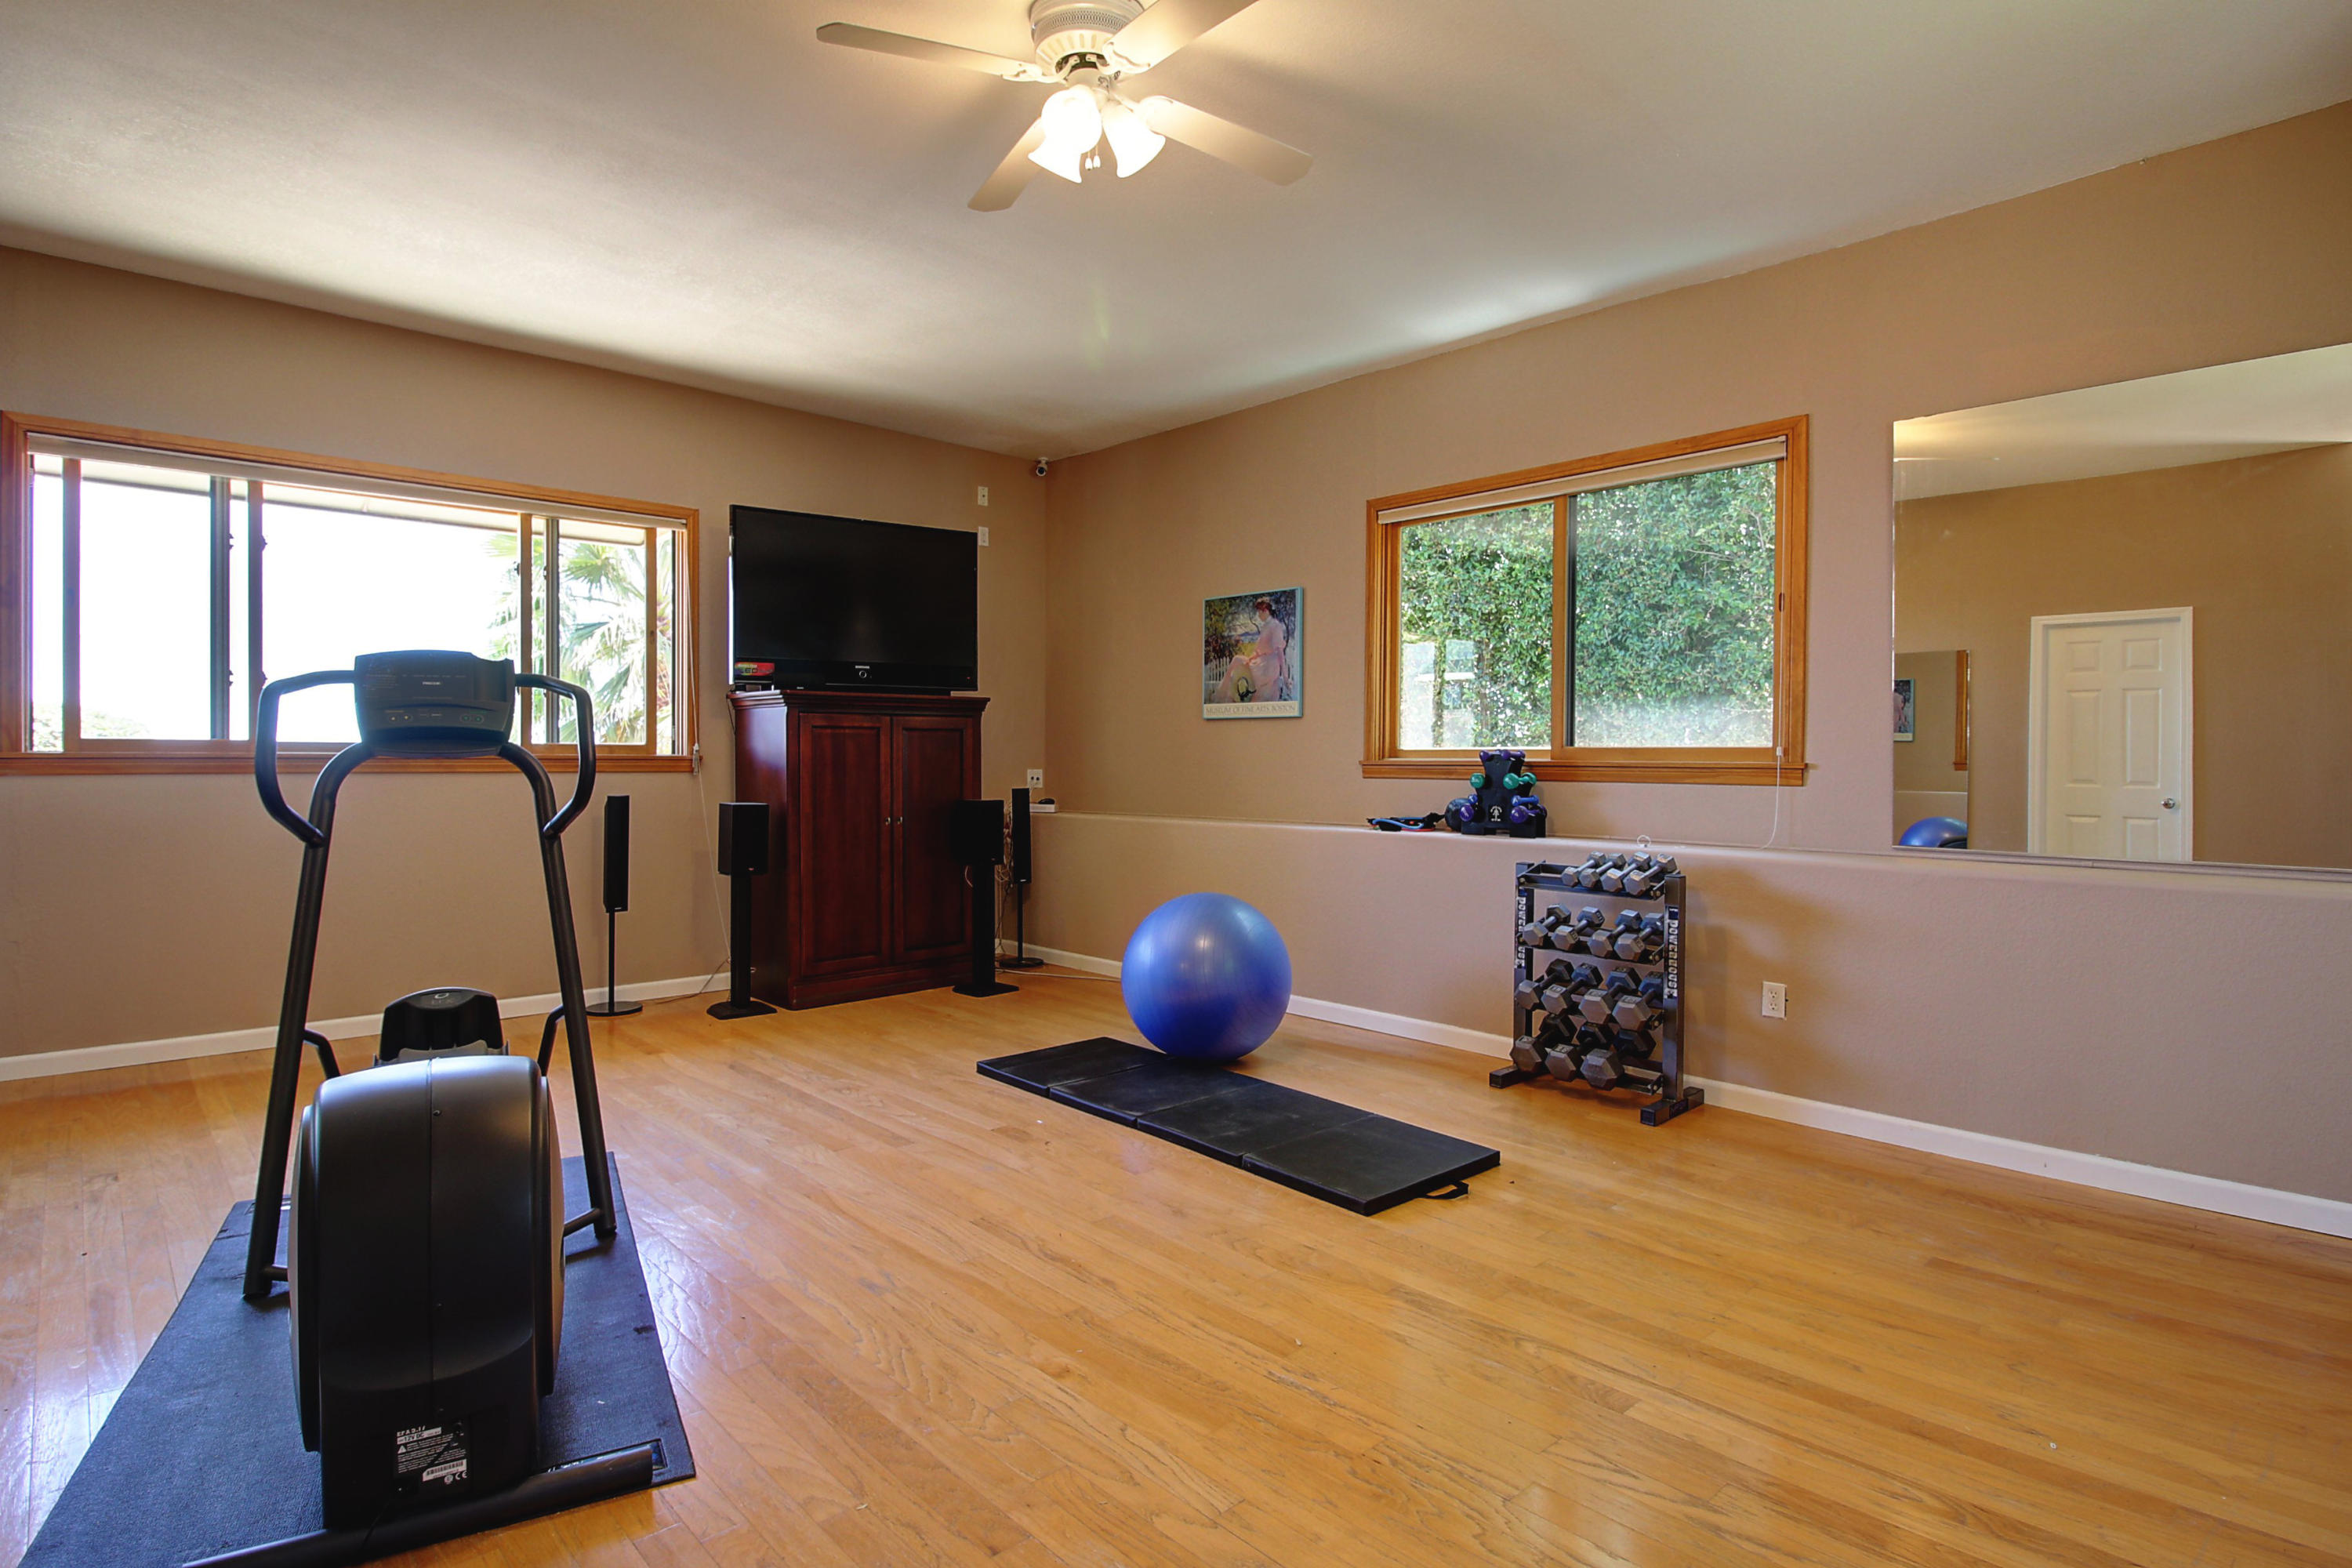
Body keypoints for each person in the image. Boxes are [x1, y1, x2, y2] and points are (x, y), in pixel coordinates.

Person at [1243, 598, 1289, 702]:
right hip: (1262, 663)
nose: (1258, 615)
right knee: (1238, 661)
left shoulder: (1275, 625)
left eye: (1260, 612)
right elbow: (1261, 649)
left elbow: (1280, 652)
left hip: (1269, 667)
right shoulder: (1266, 626)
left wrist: (1285, 676)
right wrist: (1251, 658)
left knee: (1260, 698)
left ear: (1266, 611)